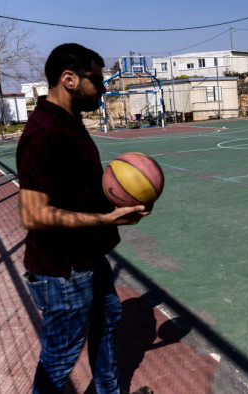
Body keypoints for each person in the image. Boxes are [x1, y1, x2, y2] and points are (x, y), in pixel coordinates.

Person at [16, 43, 152, 394]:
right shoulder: (45, 132)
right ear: (70, 79)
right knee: (59, 362)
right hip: (61, 271)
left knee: (108, 322)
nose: (104, 87)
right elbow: (33, 215)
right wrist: (106, 220)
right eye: (98, 80)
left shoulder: (69, 121)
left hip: (88, 258)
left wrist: (120, 206)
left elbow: (74, 190)